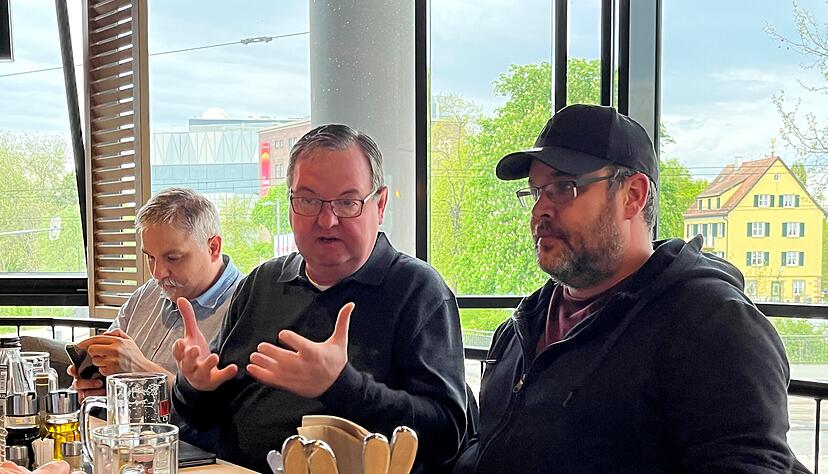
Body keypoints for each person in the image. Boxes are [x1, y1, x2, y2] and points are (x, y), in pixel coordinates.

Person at [453, 104, 795, 473]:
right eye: (536, 193)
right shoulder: (521, 328)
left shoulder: (712, 326)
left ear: (633, 195)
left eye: (563, 189)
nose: (540, 211)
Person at [171, 124, 468, 473]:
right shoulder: (263, 283)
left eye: (347, 202)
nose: (327, 220)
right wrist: (194, 386)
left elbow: (448, 434)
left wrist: (341, 385)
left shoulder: (417, 290)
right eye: (309, 201)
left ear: (380, 204)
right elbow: (204, 418)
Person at [69, 187, 242, 449]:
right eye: (150, 257)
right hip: (127, 450)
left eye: (173, 257)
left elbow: (228, 427)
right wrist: (101, 388)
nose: (158, 272)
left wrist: (141, 371)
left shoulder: (245, 307)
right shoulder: (146, 295)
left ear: (213, 247)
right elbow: (114, 390)